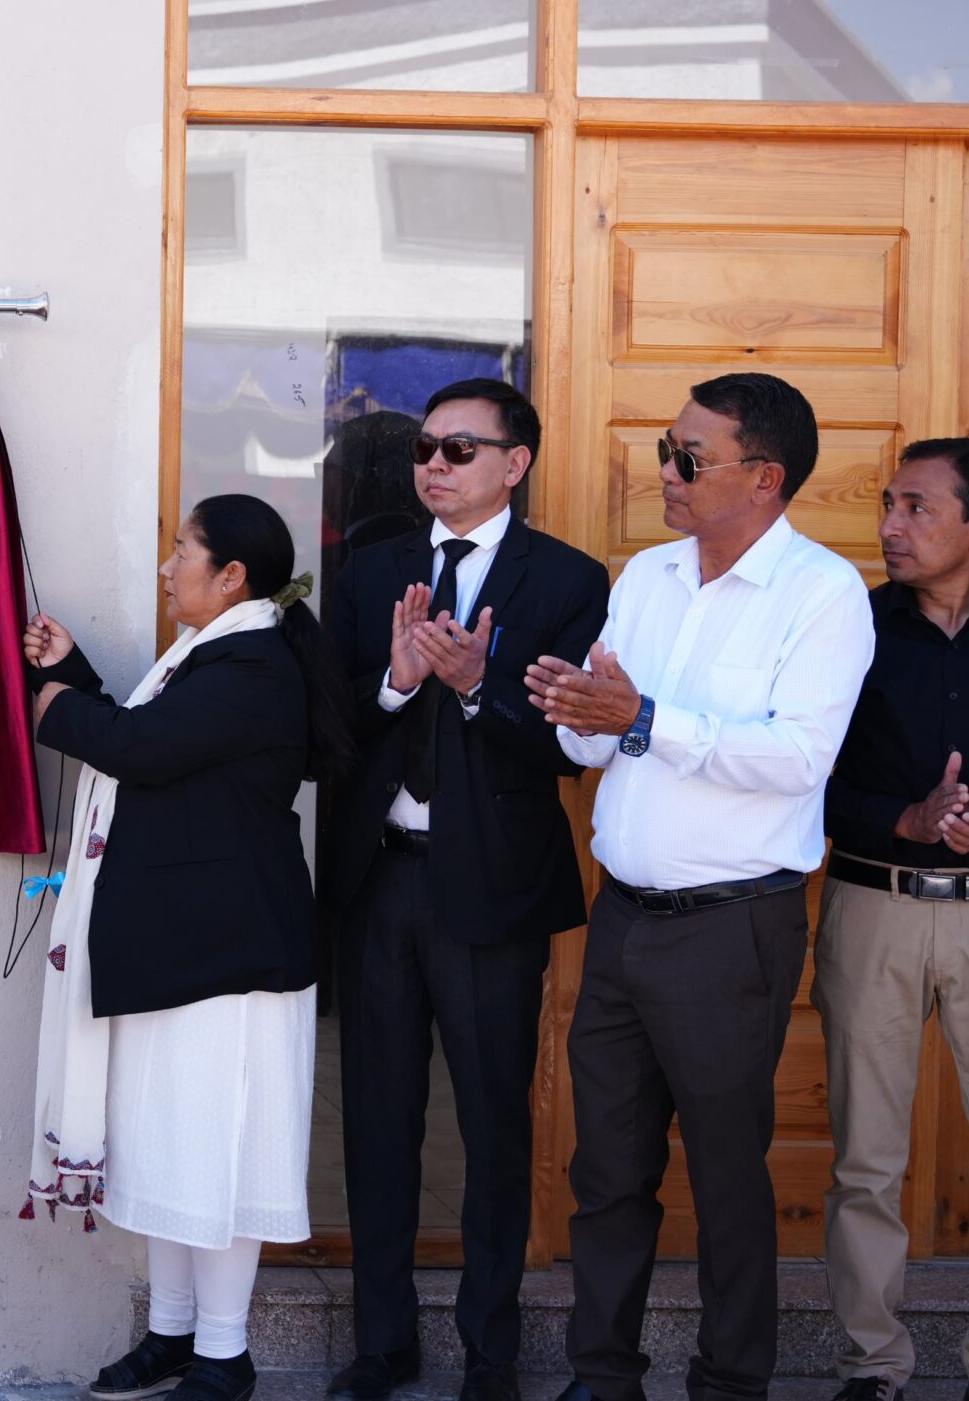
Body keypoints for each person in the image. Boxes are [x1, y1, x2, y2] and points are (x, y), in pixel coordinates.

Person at [525, 373, 873, 1401]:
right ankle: (602, 1375)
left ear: (763, 478)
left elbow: (797, 758)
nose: (663, 470)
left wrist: (638, 718)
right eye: (665, 448)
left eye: (689, 456)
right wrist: (580, 712)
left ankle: (728, 1383)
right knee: (606, 1171)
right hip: (622, 919)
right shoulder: (645, 576)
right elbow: (597, 740)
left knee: (725, 1177)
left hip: (731, 930)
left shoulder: (821, 594)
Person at [22, 494, 351, 1401]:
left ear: (232, 574)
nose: (168, 567)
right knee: (166, 1147)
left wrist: (54, 700)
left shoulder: (253, 662)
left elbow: (142, 749)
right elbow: (156, 741)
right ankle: (171, 1337)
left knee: (218, 1153)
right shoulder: (213, 652)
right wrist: (76, 674)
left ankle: (224, 1353)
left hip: (232, 952)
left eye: (181, 551)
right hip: (186, 943)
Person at [320, 379, 609, 1401]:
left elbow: (575, 746)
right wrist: (399, 680)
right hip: (380, 885)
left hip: (492, 891)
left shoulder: (569, 581)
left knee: (493, 1124)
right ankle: (381, 1345)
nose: (432, 467)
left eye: (457, 449)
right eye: (424, 450)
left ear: (514, 464)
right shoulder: (369, 574)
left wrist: (475, 688)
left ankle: (490, 1353)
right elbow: (329, 728)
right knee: (378, 1120)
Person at [816, 438, 969, 1401]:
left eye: (917, 507)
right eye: (887, 503)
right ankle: (871, 1366)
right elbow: (798, 775)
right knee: (865, 1161)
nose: (890, 525)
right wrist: (901, 819)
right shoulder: (846, 628)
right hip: (871, 906)